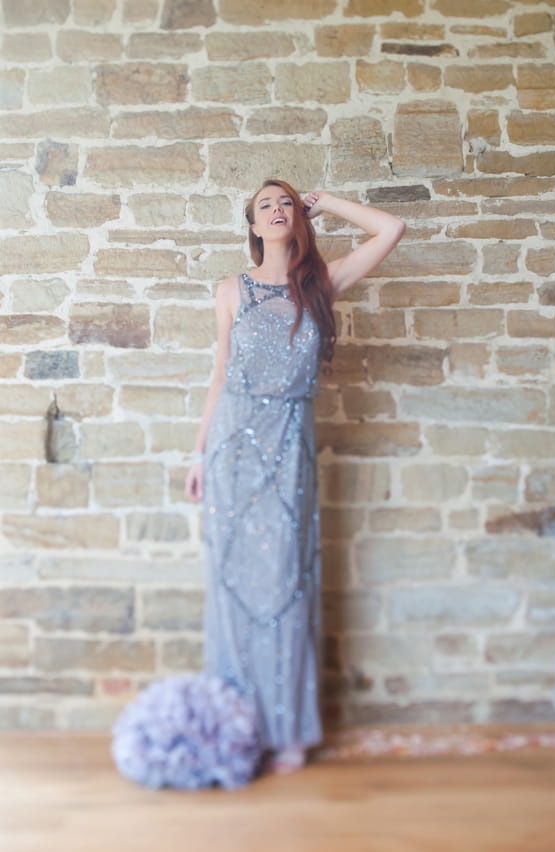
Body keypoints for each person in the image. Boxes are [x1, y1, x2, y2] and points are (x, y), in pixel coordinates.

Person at [185, 180, 405, 775]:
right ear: (252, 226)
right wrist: (198, 454)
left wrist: (326, 201)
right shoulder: (230, 289)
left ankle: (287, 727)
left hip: (289, 443)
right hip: (233, 443)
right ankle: (239, 727)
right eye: (265, 206)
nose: (277, 211)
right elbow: (218, 376)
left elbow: (391, 230)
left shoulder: (320, 284)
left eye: (285, 203)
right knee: (233, 584)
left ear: (296, 218)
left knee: (285, 583)